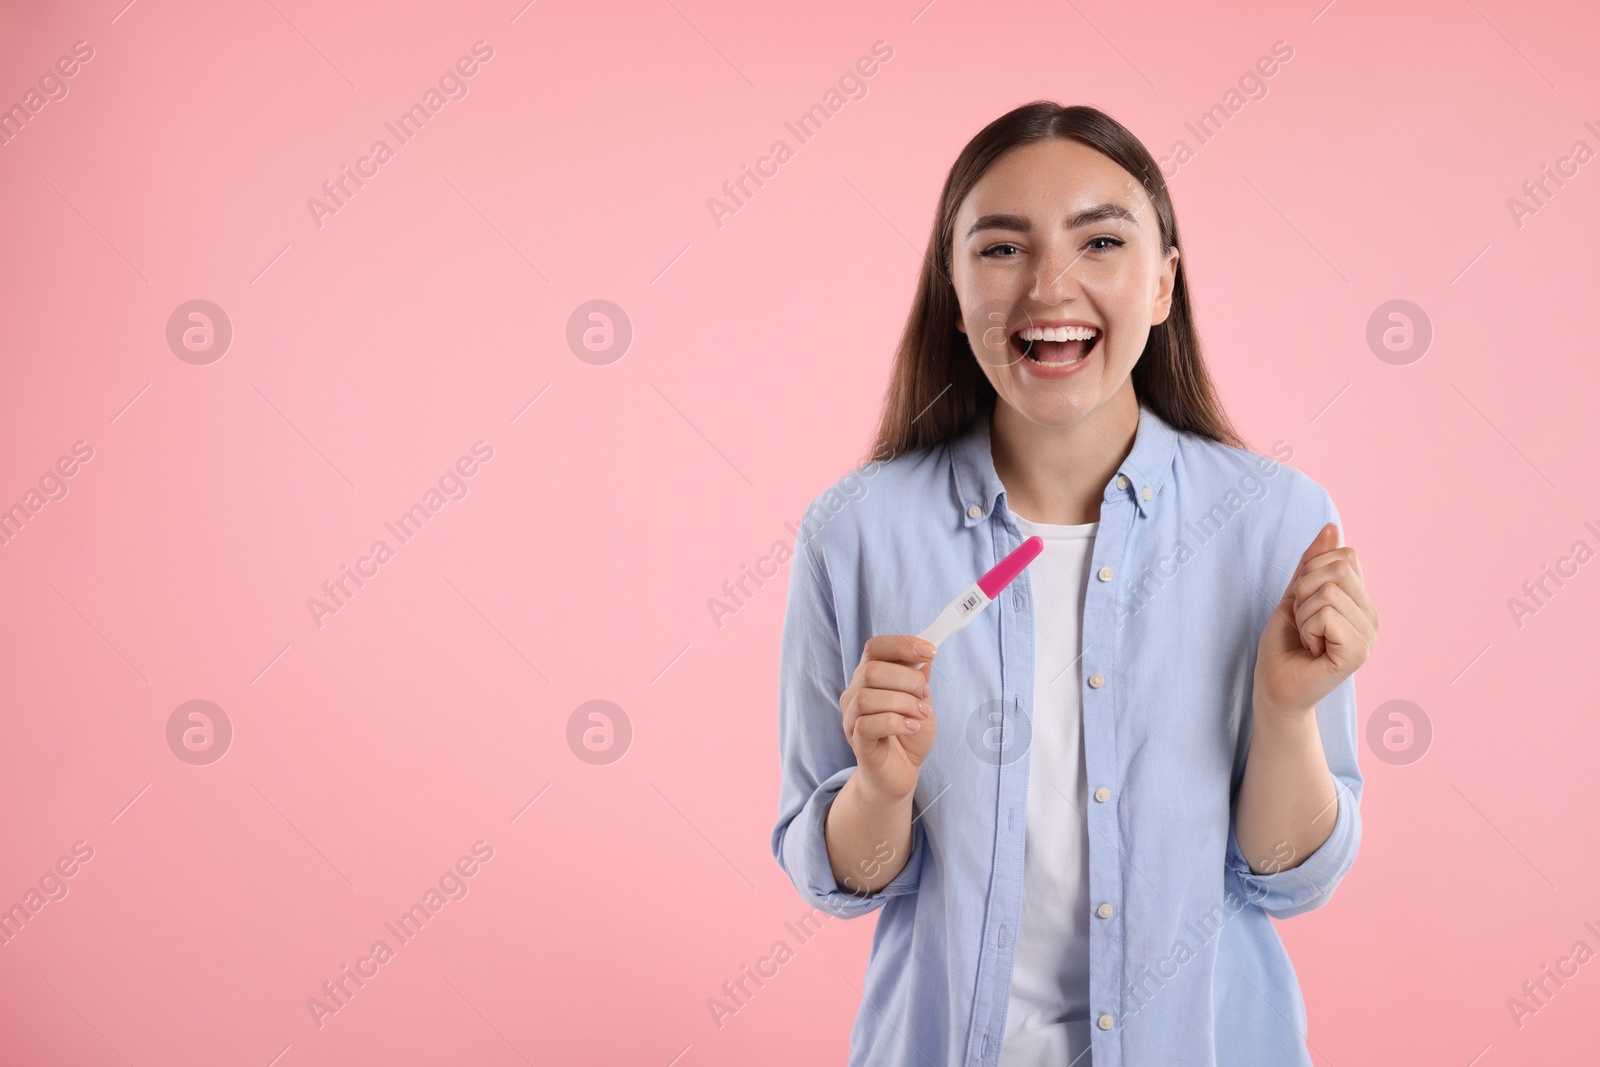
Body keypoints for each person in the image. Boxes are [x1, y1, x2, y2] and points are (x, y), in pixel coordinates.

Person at [770, 101, 1379, 1067]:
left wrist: (1285, 710)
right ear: (953, 286)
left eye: (1101, 240)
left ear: (1163, 283)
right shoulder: (854, 532)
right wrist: (881, 790)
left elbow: (1283, 876)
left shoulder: (1276, 521)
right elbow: (844, 879)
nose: (1051, 287)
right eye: (1002, 249)